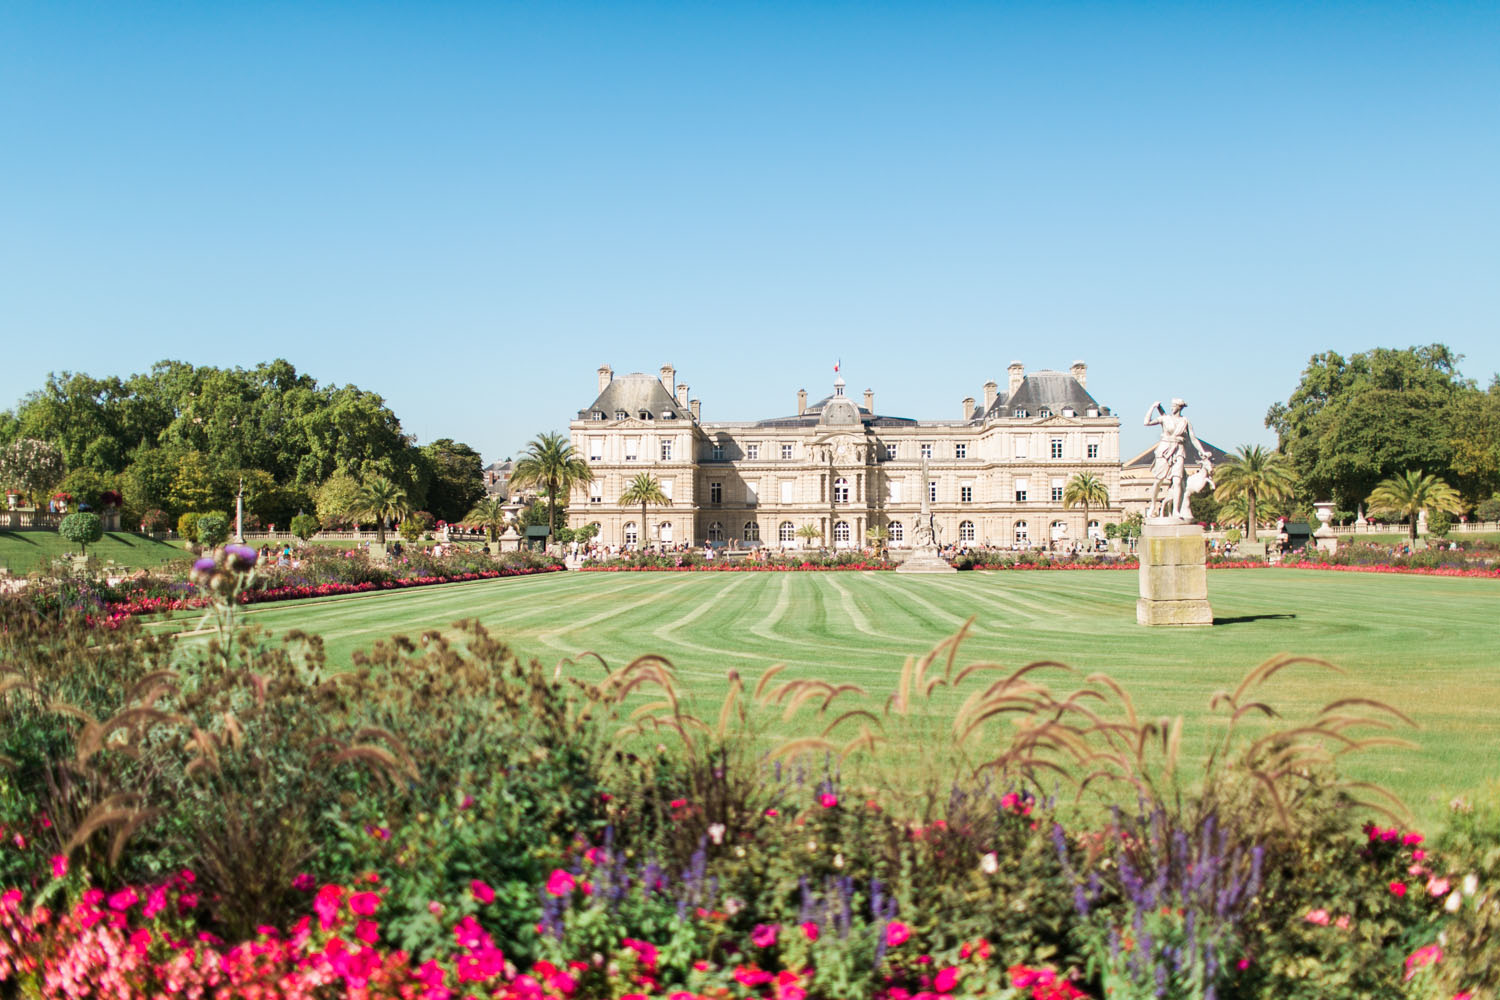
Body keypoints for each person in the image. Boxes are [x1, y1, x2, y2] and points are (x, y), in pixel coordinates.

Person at [1144, 398, 1208, 520]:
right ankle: (1152, 505)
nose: (1172, 407)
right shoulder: (1165, 418)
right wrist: (1153, 407)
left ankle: (1176, 511)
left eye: (1174, 406)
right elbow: (1146, 422)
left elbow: (1193, 438)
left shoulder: (1185, 421)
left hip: (1179, 450)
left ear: (1180, 407)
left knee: (1178, 481)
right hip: (1164, 449)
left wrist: (1202, 451)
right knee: (1159, 480)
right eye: (1171, 405)